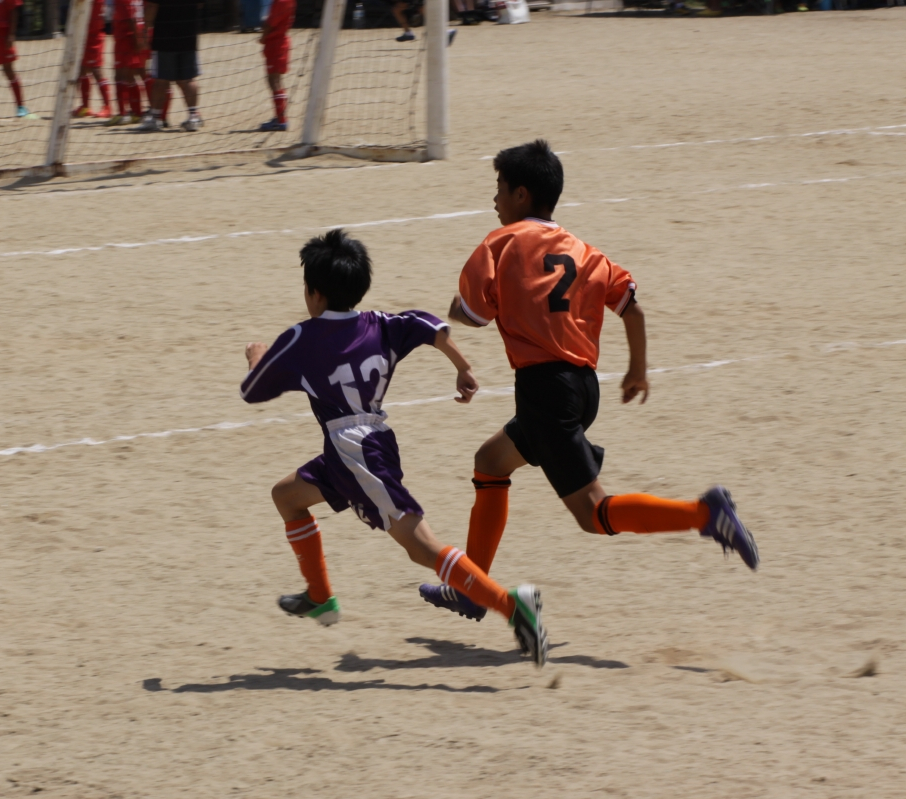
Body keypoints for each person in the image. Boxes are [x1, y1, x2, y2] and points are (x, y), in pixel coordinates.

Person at [420, 139, 759, 623]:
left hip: (544, 392)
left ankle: (705, 514)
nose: (494, 199)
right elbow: (632, 309)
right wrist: (637, 369)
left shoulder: (500, 243)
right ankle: (473, 589)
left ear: (521, 194)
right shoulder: (585, 251)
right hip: (582, 388)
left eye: (499, 188)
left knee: (593, 513)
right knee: (490, 462)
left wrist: (456, 310)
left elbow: (475, 314)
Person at [240, 229, 549, 667]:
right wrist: (462, 367)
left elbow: (251, 391)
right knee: (288, 496)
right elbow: (427, 325)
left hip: (354, 451)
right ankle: (320, 598)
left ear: (314, 293)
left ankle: (511, 605)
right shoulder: (381, 324)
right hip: (364, 444)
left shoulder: (302, 337)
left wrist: (257, 355)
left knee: (421, 545)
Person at [140, 0, 202, 132]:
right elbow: (200, 4)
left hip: (165, 37)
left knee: (160, 80)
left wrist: (145, 29)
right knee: (188, 79)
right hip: (188, 36)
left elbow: (152, 7)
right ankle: (193, 117)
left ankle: (155, 118)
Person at [110, 0, 149, 124]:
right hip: (135, 34)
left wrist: (137, 40)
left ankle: (123, 114)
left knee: (120, 76)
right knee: (134, 75)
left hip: (126, 38)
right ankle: (137, 113)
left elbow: (130, 19)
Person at [257, 0, 294, 132]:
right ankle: (280, 117)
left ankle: (281, 120)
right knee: (276, 80)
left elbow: (271, 23)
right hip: (278, 42)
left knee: (274, 81)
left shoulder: (281, 1)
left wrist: (263, 36)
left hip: (276, 43)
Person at [75, 0, 115, 118]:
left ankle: (107, 107)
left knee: (96, 70)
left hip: (94, 34)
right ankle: (85, 107)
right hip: (85, 33)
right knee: (82, 69)